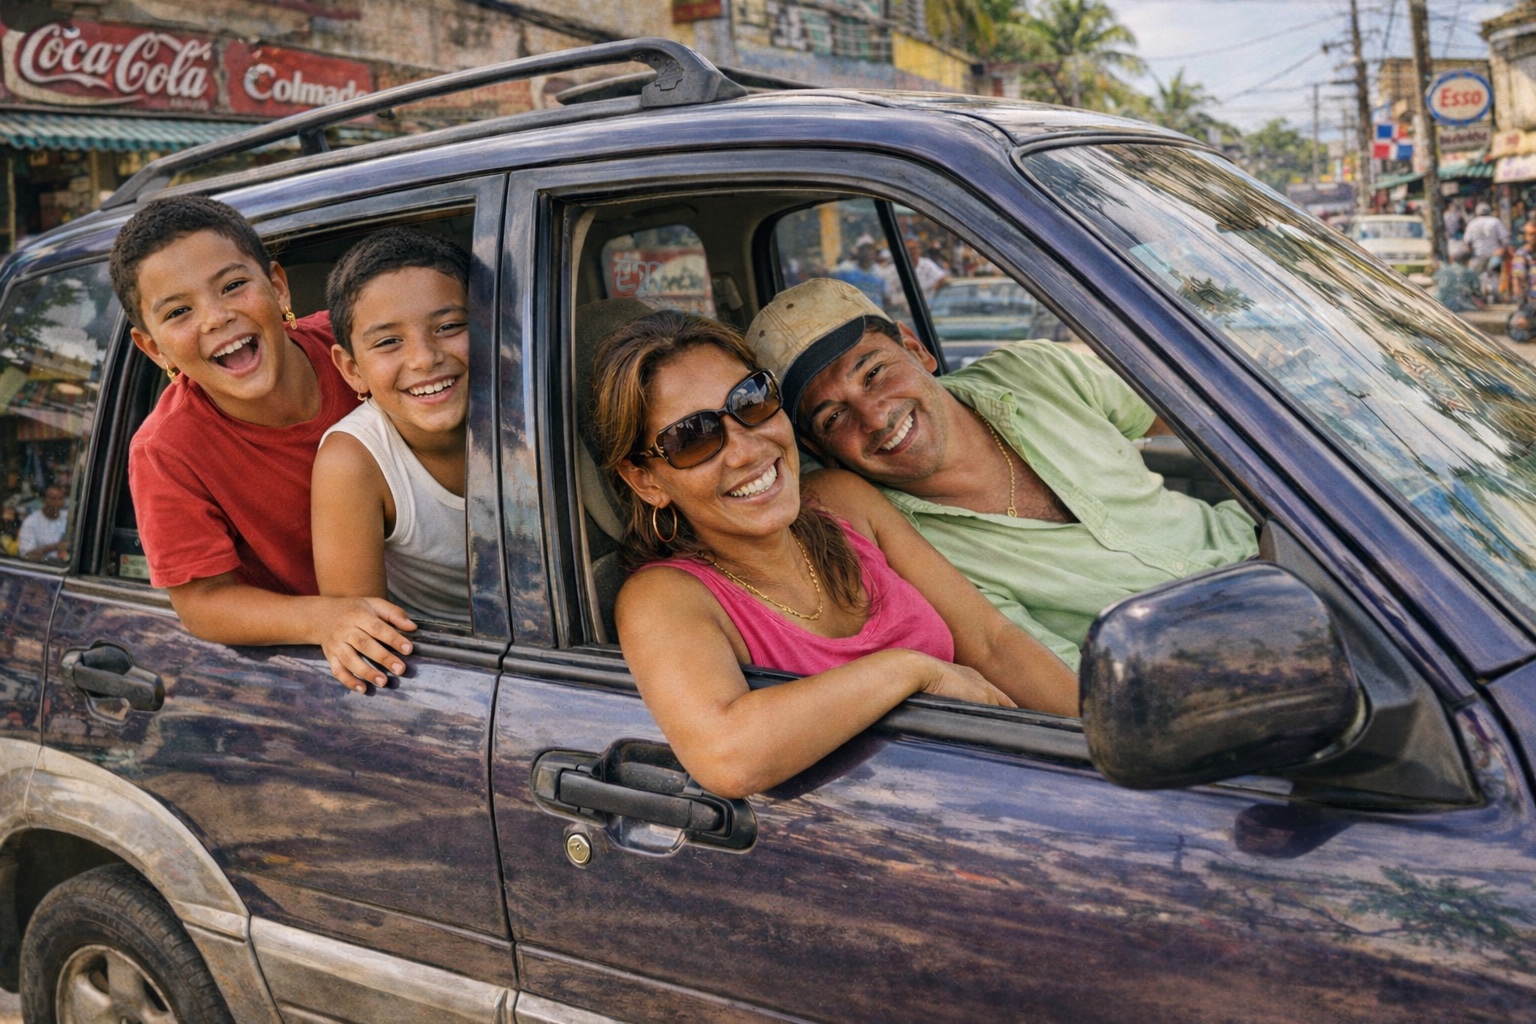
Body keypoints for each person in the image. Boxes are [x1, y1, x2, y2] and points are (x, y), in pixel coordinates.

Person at [591, 310, 1076, 797]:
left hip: (1013, 790)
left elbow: (992, 640)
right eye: (693, 438)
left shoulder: (844, 502)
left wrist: (1103, 748)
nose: (746, 450)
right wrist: (911, 670)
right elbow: (728, 755)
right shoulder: (664, 597)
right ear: (647, 480)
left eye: (752, 401)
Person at [747, 278, 1259, 669]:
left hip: (1283, 552)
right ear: (822, 451)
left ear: (916, 349)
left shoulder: (1033, 371)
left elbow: (1208, 422)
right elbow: (1059, 674)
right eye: (834, 417)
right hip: (1204, 668)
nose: (876, 416)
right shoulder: (906, 552)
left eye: (875, 372)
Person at [113, 195, 416, 692]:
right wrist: (325, 619)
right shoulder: (167, 450)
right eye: (178, 312)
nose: (215, 318)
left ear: (278, 288)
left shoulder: (358, 349)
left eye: (233, 286)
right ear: (152, 347)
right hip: (342, 660)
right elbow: (204, 603)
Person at [311, 228, 473, 631]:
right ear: (352, 370)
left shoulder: (533, 405)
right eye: (388, 342)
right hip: (448, 655)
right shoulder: (355, 461)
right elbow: (360, 629)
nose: (424, 358)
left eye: (449, 326)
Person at [1464, 202, 1509, 300]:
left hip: (1478, 254)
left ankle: (1480, 297)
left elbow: (1467, 241)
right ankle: (1496, 297)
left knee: (1478, 276)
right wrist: (1503, 251)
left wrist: (1471, 252)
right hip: (1495, 253)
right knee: (1494, 276)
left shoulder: (1472, 223)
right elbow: (1505, 238)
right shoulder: (1495, 221)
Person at [18, 484, 67, 561]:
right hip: (41, 567)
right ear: (44, 500)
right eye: (53, 499)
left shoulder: (67, 518)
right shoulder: (31, 522)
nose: (57, 503)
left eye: (60, 499)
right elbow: (26, 556)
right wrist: (54, 547)